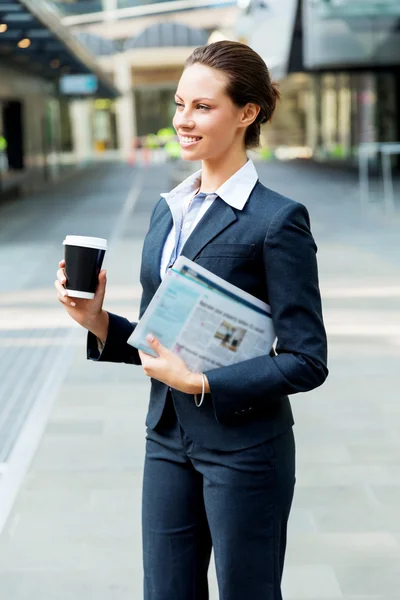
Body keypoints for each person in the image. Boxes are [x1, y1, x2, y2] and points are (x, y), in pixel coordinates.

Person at [55, 41, 328, 600]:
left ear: (247, 113)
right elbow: (165, 336)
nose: (183, 120)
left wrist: (203, 383)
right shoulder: (167, 209)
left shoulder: (278, 222)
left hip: (246, 449)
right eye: (180, 104)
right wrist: (98, 320)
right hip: (167, 439)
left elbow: (307, 360)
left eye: (203, 107)